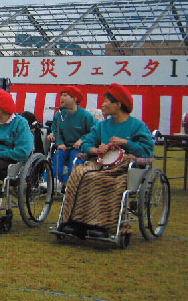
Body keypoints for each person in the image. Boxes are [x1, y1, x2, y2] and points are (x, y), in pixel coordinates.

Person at [59, 83, 154, 237]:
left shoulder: (137, 126)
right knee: (79, 174)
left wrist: (125, 143)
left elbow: (147, 150)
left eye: (107, 102)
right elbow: (88, 142)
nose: (102, 105)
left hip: (124, 167)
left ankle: (103, 225)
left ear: (118, 104)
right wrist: (96, 150)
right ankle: (73, 221)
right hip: (100, 162)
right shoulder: (102, 126)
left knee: (106, 181)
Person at [47, 86, 97, 186]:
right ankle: (53, 181)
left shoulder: (85, 115)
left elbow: (95, 131)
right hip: (64, 146)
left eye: (65, 95)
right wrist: (59, 142)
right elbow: (56, 130)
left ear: (74, 99)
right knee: (58, 155)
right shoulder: (59, 114)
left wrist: (82, 140)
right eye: (61, 95)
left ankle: (70, 182)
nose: (61, 97)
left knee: (75, 157)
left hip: (79, 147)